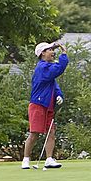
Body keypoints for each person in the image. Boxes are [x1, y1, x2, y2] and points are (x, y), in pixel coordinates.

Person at [22, 41, 68, 169]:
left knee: (51, 132)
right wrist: (64, 54)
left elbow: (53, 85)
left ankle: (49, 159)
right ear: (42, 53)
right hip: (38, 104)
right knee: (34, 133)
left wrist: (59, 95)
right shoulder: (43, 67)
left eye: (53, 50)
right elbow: (59, 68)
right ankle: (25, 160)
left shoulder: (47, 68)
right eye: (50, 50)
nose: (53, 52)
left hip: (48, 105)